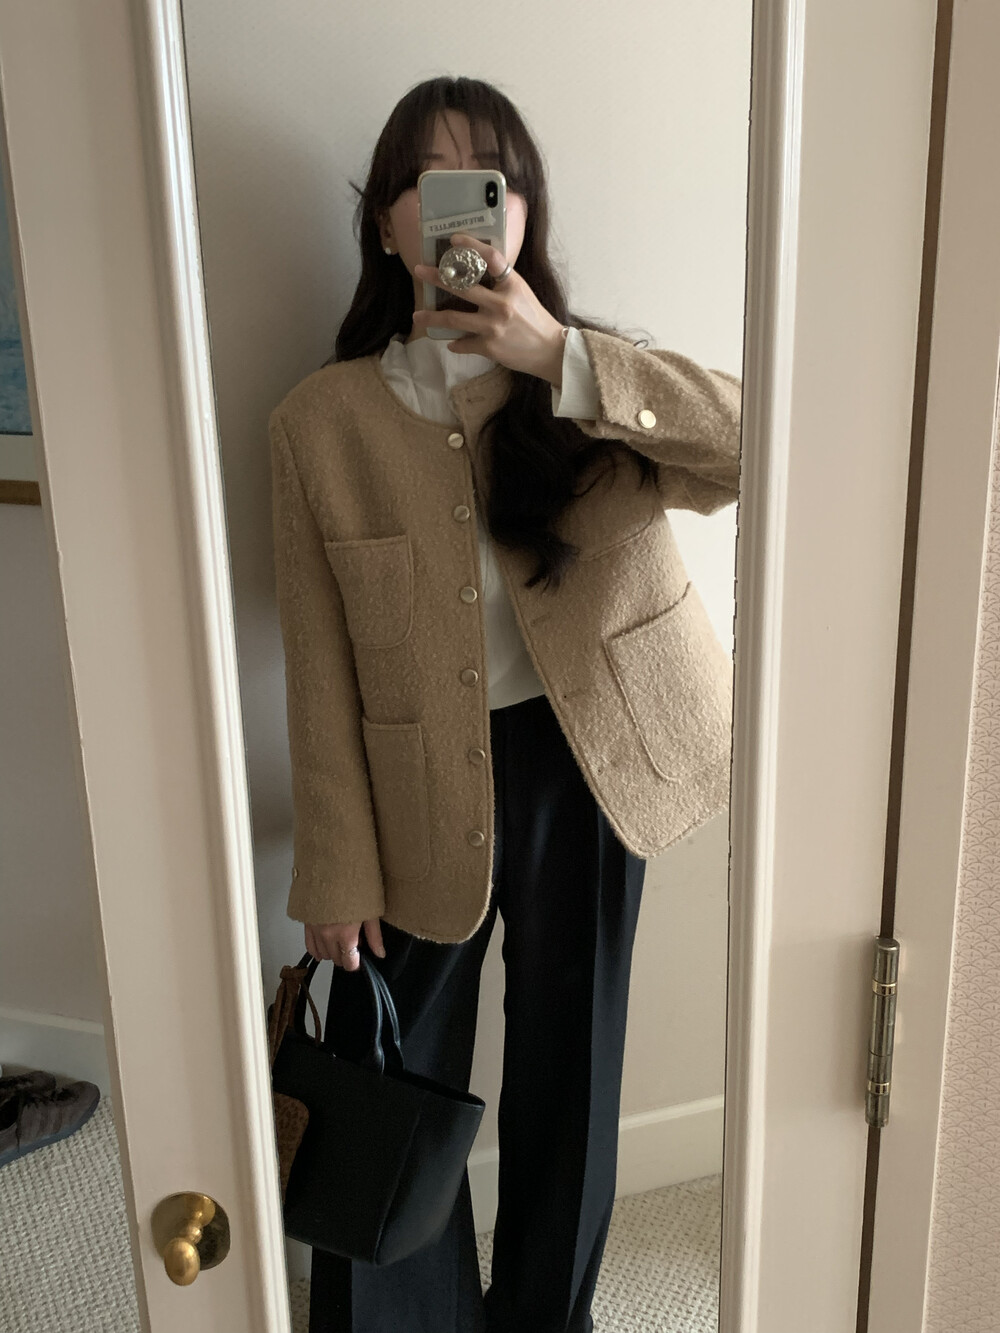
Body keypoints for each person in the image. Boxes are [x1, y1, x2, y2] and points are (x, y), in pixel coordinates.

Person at [269, 75, 741, 1333]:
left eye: (489, 177)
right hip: (421, 778)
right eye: (425, 181)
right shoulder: (318, 425)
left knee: (571, 1058)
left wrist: (561, 360)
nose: (460, 207)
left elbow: (761, 448)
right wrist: (335, 868)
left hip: (594, 761)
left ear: (523, 214)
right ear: (386, 223)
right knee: (397, 1061)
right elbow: (318, 659)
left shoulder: (595, 385)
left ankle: (545, 1315)